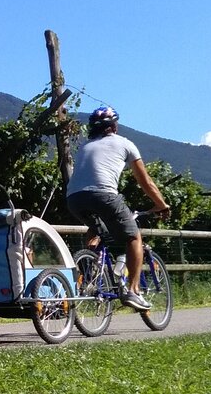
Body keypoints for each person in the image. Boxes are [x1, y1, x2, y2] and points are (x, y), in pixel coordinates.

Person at [66, 105, 170, 311]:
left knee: (96, 231)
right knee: (133, 237)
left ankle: (90, 276)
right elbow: (145, 182)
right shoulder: (125, 144)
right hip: (104, 195)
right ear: (114, 126)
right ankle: (132, 291)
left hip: (73, 198)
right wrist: (161, 204)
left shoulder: (85, 147)